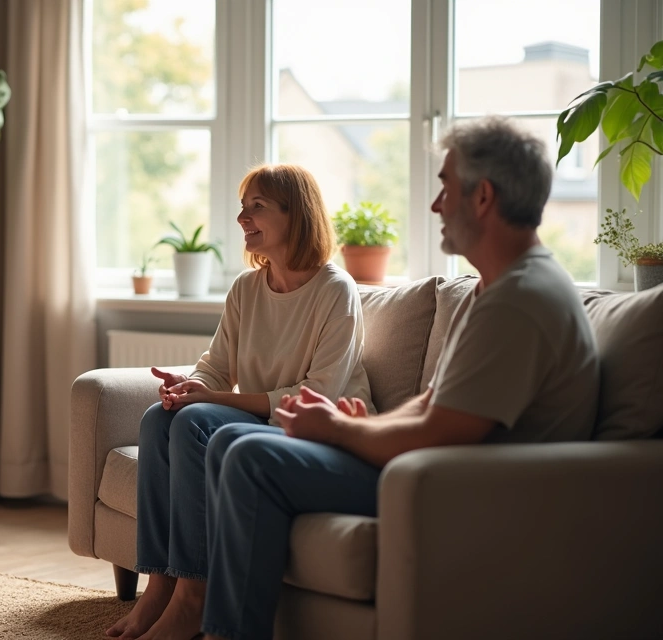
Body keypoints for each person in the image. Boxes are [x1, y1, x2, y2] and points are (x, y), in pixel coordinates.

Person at [199, 116, 600, 640]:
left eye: (445, 188)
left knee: (251, 454)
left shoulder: (519, 302)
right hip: (437, 465)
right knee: (231, 436)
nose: (436, 205)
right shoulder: (499, 288)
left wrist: (343, 432)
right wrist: (357, 424)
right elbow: (436, 402)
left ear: (483, 198)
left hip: (461, 485)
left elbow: (443, 432)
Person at [107, 164, 372, 640]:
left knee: (195, 423)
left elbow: (317, 397)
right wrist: (190, 385)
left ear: (297, 215)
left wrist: (208, 399)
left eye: (257, 207)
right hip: (264, 424)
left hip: (316, 432)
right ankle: (159, 586)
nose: (241, 217)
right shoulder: (247, 289)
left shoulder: (335, 290)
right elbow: (215, 365)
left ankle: (194, 597)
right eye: (242, 206)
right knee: (158, 420)